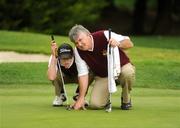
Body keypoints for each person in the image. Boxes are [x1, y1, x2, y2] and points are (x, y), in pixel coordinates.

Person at [68, 24, 135, 110]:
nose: (79, 44)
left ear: (88, 35)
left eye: (80, 40)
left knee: (127, 73)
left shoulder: (104, 34)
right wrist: (81, 98)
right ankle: (105, 99)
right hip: (104, 76)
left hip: (120, 69)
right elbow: (83, 75)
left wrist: (118, 44)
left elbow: (129, 43)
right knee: (95, 105)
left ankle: (126, 99)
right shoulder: (78, 52)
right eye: (76, 43)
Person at [47, 41, 93, 106]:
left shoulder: (79, 57)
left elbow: (86, 74)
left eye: (68, 58)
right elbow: (51, 77)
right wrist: (53, 57)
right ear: (59, 56)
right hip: (63, 77)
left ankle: (79, 96)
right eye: (63, 58)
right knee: (54, 73)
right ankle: (60, 95)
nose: (66, 61)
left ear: (73, 55)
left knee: (90, 73)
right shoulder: (54, 57)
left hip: (79, 77)